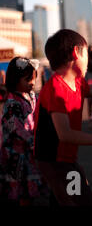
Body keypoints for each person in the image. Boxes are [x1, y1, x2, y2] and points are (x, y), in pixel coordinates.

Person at [33, 29, 92, 206]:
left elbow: (90, 90)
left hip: (66, 158)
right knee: (81, 200)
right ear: (76, 52)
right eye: (86, 53)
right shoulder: (56, 89)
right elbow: (65, 134)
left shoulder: (77, 81)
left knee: (65, 197)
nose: (89, 59)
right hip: (54, 160)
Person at [0, 57, 47, 205]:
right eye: (28, 79)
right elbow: (14, 126)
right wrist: (31, 140)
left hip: (29, 150)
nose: (32, 83)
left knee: (29, 189)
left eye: (33, 78)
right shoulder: (11, 102)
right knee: (20, 190)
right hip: (16, 153)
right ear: (15, 79)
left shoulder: (31, 96)